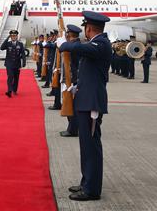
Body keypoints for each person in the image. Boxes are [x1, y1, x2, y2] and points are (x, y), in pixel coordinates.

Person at [58, 11, 111, 201]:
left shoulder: (101, 44)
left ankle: (92, 190)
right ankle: (86, 182)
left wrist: (63, 43)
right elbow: (87, 71)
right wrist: (77, 86)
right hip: (85, 100)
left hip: (92, 104)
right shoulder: (94, 44)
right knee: (85, 146)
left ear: (88, 28)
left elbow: (72, 47)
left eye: (85, 28)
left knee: (91, 147)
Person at [56, 24, 81, 137]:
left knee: (72, 106)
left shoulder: (75, 45)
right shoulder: (74, 44)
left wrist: (62, 42)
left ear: (69, 34)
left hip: (73, 80)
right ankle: (71, 128)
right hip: (69, 78)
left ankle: (73, 129)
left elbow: (62, 48)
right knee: (69, 104)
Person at [0, 30, 26, 97]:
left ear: (17, 36)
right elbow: (1, 48)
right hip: (9, 63)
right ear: (10, 36)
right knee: (10, 76)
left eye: (14, 36)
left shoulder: (20, 44)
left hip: (17, 64)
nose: (13, 37)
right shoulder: (8, 43)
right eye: (12, 36)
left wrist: (24, 62)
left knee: (16, 78)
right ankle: (9, 90)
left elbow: (23, 54)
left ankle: (14, 90)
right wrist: (6, 39)